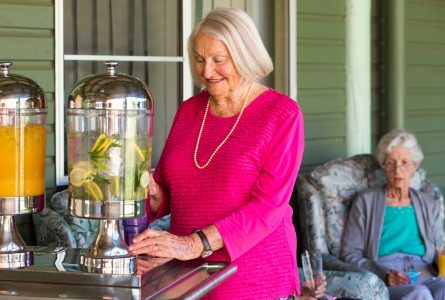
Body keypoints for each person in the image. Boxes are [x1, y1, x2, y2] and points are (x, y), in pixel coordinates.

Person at [128, 7, 307, 299]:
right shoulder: (189, 111)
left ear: (245, 55)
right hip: (187, 274)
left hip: (251, 276)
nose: (206, 71)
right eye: (199, 60)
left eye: (218, 60)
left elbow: (267, 209)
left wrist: (192, 244)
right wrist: (148, 190)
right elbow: (170, 190)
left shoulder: (281, 114)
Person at [340, 129, 445, 300]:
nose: (397, 170)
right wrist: (384, 273)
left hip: (425, 273)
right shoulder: (365, 202)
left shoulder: (428, 203)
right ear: (383, 165)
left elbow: (437, 252)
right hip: (386, 277)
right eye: (391, 163)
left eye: (404, 162)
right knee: (419, 294)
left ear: (415, 166)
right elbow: (349, 254)